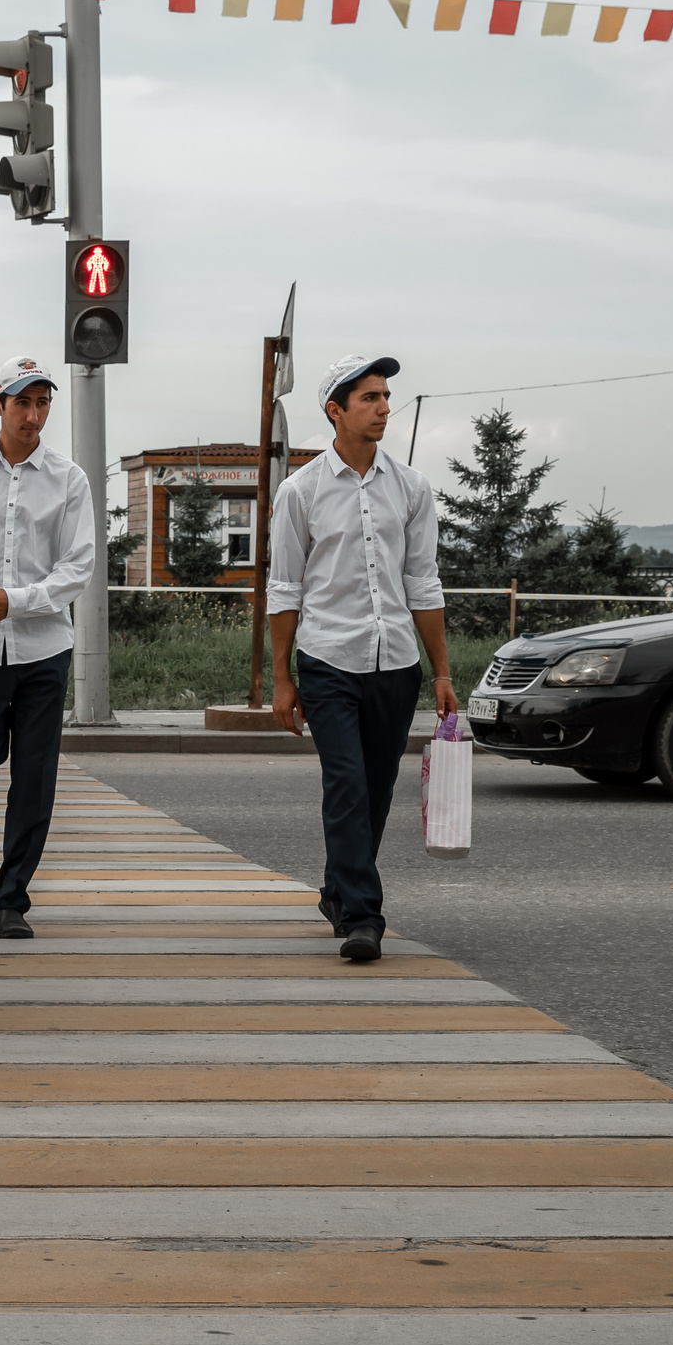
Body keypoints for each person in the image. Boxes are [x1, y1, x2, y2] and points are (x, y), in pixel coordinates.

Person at [267, 354, 457, 964]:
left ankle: (337, 889)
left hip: (395, 662)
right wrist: (281, 679)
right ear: (335, 410)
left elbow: (423, 584)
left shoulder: (412, 488)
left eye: (385, 396)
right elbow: (284, 589)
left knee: (375, 790)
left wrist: (442, 671)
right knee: (346, 783)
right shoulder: (301, 492)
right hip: (328, 658)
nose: (383, 408)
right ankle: (363, 915)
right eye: (370, 398)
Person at [0, 356, 95, 941]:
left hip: (43, 649)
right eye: (22, 402)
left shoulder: (69, 479)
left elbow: (78, 566)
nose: (33, 415)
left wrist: (20, 601)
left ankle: (13, 896)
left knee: (35, 777)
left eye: (43, 403)